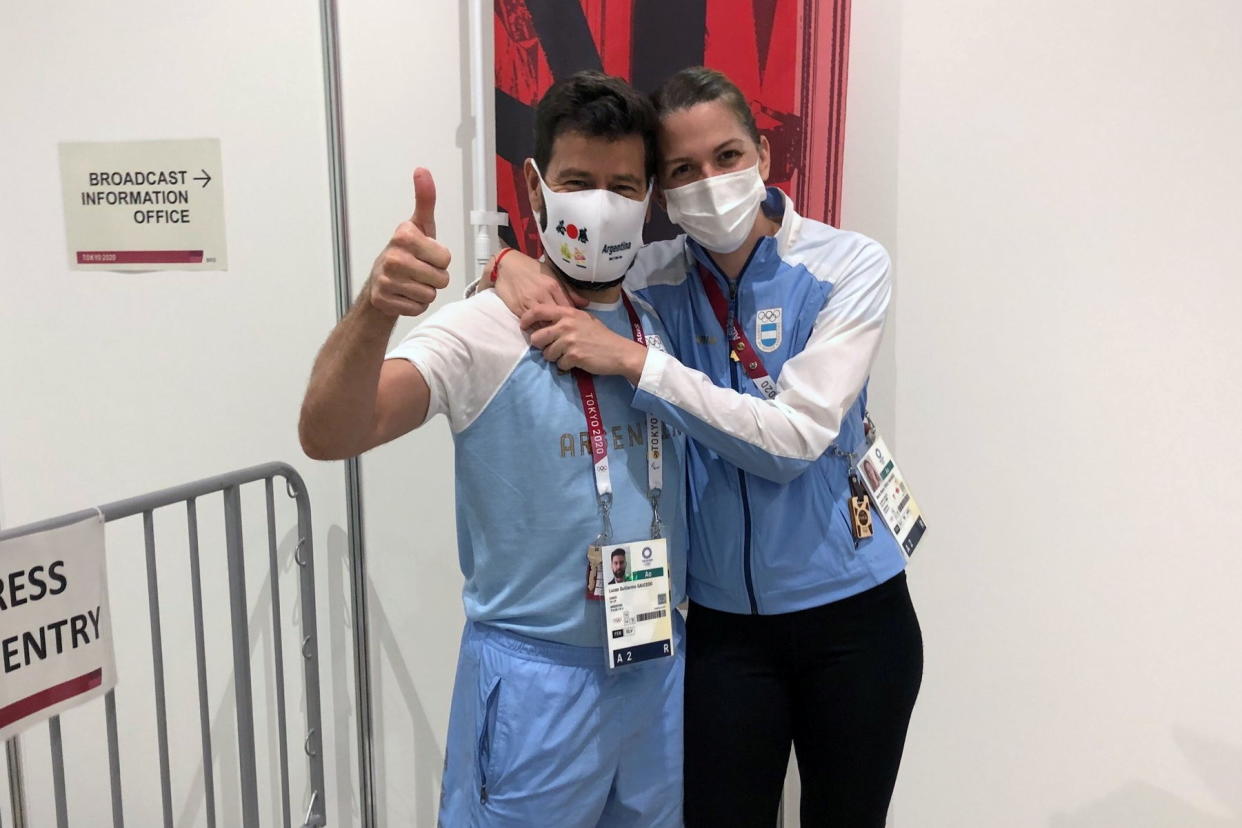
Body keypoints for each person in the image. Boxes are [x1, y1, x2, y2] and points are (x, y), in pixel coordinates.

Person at [483, 66, 923, 827]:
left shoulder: (849, 264)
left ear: (764, 158)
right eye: (682, 170)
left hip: (855, 619)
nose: (708, 182)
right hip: (723, 631)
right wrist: (504, 263)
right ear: (659, 191)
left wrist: (636, 362)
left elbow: (794, 441)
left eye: (726, 157)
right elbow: (560, 275)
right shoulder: (654, 276)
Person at [299, 71, 686, 827]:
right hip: (537, 685)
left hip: (655, 670)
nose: (602, 203)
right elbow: (331, 432)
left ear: (648, 200)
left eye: (622, 185)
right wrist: (376, 310)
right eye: (579, 181)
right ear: (535, 190)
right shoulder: (480, 330)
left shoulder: (655, 324)